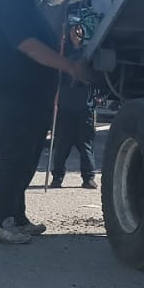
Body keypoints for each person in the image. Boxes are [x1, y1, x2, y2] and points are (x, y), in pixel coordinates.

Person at [0, 0, 93, 243]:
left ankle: (17, 218)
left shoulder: (28, 7)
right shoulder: (10, 8)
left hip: (33, 98)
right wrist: (68, 67)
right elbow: (30, 47)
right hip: (14, 97)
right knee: (13, 158)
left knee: (28, 159)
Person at [50, 18, 98, 189]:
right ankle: (57, 177)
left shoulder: (89, 53)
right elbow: (56, 76)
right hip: (65, 104)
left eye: (79, 29)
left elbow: (93, 76)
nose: (76, 33)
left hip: (84, 105)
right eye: (73, 29)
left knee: (85, 143)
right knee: (62, 143)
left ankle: (88, 177)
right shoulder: (62, 52)